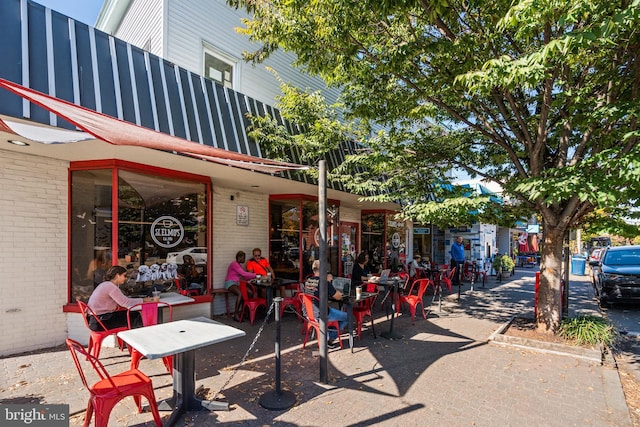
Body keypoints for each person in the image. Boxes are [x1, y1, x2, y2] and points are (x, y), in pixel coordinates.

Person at [87, 265, 155, 331]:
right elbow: (125, 303)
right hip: (101, 321)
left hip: (95, 320)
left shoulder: (105, 284)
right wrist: (143, 300)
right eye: (124, 276)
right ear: (117, 275)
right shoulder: (111, 287)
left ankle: (131, 338)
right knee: (134, 316)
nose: (125, 278)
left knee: (129, 315)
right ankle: (137, 337)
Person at [303, 260, 347, 349]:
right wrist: (329, 283)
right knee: (347, 316)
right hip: (321, 314)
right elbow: (338, 297)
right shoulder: (324, 282)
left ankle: (327, 334)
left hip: (309, 313)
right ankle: (329, 338)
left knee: (334, 314)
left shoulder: (308, 281)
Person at [224, 251, 257, 321]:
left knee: (250, 292)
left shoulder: (239, 266)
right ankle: (236, 314)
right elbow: (243, 274)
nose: (244, 259)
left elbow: (244, 276)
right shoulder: (234, 264)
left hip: (236, 283)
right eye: (243, 258)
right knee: (240, 294)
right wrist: (255, 275)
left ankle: (244, 312)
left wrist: (254, 278)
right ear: (239, 257)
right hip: (230, 283)